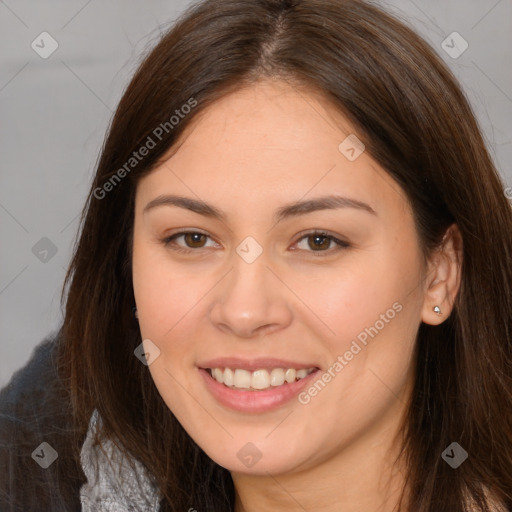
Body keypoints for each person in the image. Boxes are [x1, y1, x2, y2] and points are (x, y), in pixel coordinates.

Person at [1, 0, 511, 510]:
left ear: (440, 273)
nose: (244, 312)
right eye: (192, 238)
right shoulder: (38, 454)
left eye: (319, 241)